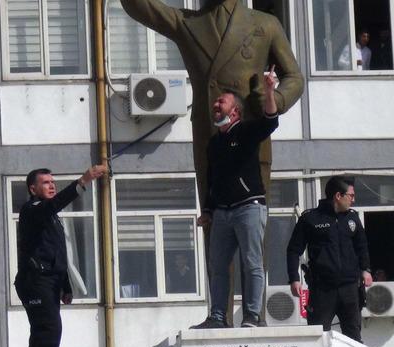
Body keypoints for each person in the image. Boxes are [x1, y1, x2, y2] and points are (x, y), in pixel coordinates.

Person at [120, 0, 304, 319]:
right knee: (214, 236)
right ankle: (218, 315)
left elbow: (295, 77)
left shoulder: (265, 24)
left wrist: (274, 98)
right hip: (210, 138)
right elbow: (139, 6)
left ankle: (253, 315)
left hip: (251, 134)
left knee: (252, 245)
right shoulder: (188, 22)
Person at [192, 65, 280, 329]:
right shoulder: (214, 143)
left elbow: (270, 122)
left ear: (235, 111)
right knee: (217, 265)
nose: (216, 103)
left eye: (223, 101)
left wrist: (268, 91)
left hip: (249, 207)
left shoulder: (244, 131)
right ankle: (218, 316)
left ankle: (253, 315)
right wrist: (208, 210)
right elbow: (213, 180)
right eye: (216, 100)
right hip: (222, 211)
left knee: (252, 262)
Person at [15, 164, 107, 347]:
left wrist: (65, 285)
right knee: (48, 330)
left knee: (48, 332)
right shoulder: (32, 210)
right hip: (35, 281)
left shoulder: (52, 217)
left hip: (51, 281)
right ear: (33, 189)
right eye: (45, 182)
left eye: (53, 182)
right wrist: (82, 182)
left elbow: (57, 251)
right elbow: (52, 206)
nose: (52, 185)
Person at [286, 176, 372, 342]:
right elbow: (293, 250)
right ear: (338, 196)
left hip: (350, 288)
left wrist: (366, 270)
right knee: (318, 338)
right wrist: (293, 279)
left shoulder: (352, 218)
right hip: (322, 290)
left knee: (354, 338)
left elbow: (362, 247)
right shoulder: (310, 218)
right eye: (351, 195)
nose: (353, 200)